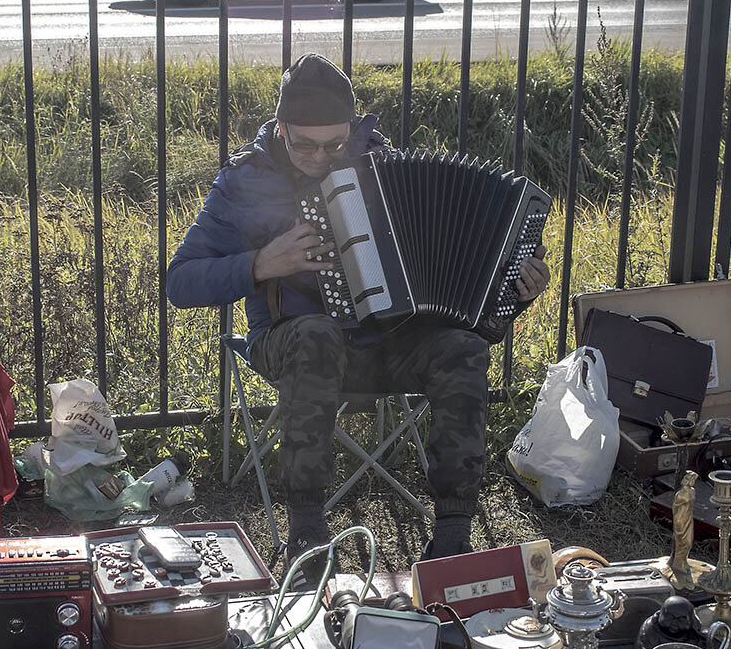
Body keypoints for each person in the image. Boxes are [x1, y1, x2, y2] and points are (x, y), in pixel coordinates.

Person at [167, 53, 550, 581]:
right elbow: (179, 281)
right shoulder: (243, 182)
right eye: (305, 144)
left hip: (388, 342)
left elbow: (452, 282)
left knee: (462, 347)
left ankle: (453, 537)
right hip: (291, 341)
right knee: (317, 334)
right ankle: (307, 534)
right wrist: (259, 264)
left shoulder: (376, 162)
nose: (321, 157)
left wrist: (516, 288)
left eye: (335, 143)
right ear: (280, 127)